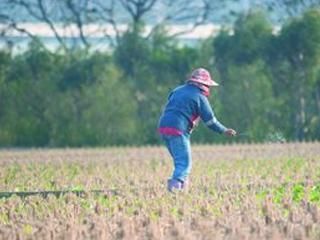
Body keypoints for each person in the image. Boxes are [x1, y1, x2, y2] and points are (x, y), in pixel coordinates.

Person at [157, 68, 237, 192]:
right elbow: (211, 121)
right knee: (184, 163)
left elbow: (174, 107)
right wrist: (224, 130)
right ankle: (174, 190)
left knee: (180, 162)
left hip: (163, 126)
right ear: (203, 85)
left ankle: (183, 189)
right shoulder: (200, 97)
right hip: (178, 129)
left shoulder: (177, 90)